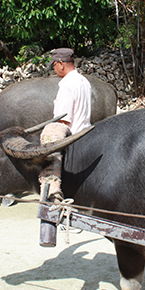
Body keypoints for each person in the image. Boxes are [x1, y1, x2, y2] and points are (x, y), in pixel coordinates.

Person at [39, 48, 91, 202]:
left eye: (54, 65)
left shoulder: (66, 84)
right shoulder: (84, 81)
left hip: (72, 139)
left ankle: (51, 192)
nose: (54, 69)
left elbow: (62, 121)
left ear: (61, 64)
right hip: (86, 134)